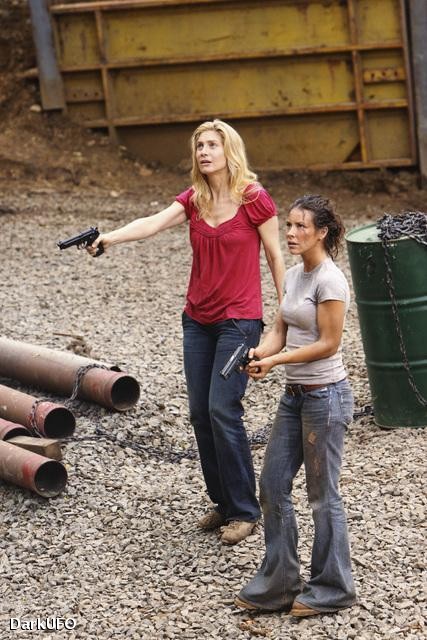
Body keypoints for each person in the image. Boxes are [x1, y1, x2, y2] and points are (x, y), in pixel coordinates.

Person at [87, 119, 285, 545]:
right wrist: (109, 238)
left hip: (239, 320)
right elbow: (153, 223)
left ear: (229, 150)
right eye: (199, 146)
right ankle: (224, 502)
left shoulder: (254, 198)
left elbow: (275, 255)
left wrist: (285, 316)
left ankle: (245, 511)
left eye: (212, 144)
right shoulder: (195, 199)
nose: (204, 152)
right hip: (197, 320)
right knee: (199, 412)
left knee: (222, 409)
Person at [235, 194, 356, 614]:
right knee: (272, 485)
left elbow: (328, 343)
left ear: (321, 232)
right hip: (294, 397)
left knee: (322, 496)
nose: (290, 233)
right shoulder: (292, 277)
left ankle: (334, 587)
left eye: (301, 226)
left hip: (326, 397)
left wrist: (276, 361)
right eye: (288, 225)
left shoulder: (330, 280)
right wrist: (260, 352)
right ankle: (281, 581)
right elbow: (279, 330)